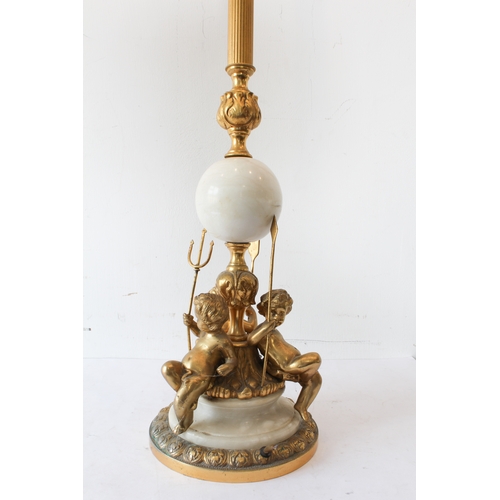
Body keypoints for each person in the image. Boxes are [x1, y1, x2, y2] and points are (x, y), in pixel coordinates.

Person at [162, 293, 237, 434]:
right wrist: (191, 325)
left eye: (198, 319)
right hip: (185, 369)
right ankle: (190, 398)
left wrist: (227, 366)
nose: (197, 321)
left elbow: (232, 359)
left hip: (199, 376)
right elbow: (198, 333)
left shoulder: (222, 340)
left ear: (211, 323)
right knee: (167, 368)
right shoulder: (206, 332)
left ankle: (185, 421)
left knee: (180, 401)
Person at [247, 289, 322, 420]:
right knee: (316, 358)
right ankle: (304, 378)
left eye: (282, 313)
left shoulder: (274, 331)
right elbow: (251, 340)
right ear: (265, 311)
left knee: (316, 380)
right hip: (286, 365)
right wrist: (269, 324)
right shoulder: (264, 328)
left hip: (294, 361)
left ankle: (301, 406)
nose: (277, 317)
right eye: (273, 312)